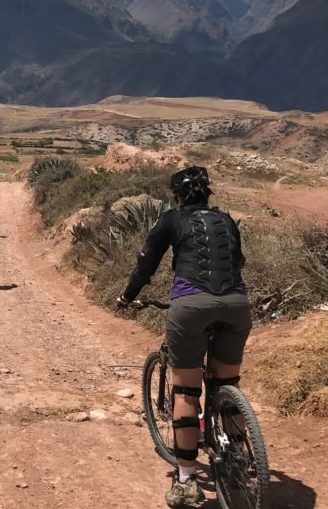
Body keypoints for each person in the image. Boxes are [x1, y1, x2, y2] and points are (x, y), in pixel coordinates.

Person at [116, 166, 251, 508]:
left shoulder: (170, 219)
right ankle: (237, 453)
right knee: (227, 381)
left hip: (191, 305)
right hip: (237, 305)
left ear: (177, 194)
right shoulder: (227, 221)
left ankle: (187, 480)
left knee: (188, 389)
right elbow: (238, 261)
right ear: (209, 192)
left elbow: (146, 263)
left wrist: (127, 296)